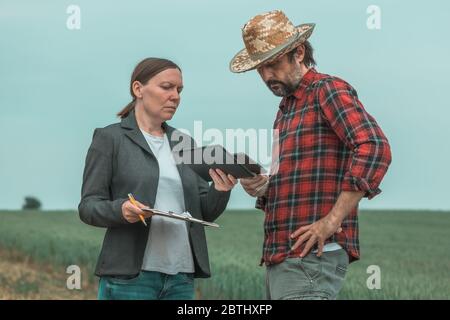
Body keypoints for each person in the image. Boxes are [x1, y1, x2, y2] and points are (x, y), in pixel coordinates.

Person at [230, 10, 392, 300]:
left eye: (273, 63)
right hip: (283, 258)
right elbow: (302, 177)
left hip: (312, 260)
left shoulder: (326, 90)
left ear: (299, 52)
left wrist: (331, 222)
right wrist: (265, 185)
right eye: (260, 68)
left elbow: (374, 147)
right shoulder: (286, 109)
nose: (267, 75)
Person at [78, 57, 237, 300]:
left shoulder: (184, 143)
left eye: (179, 90)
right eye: (166, 87)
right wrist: (122, 210)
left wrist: (221, 189)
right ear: (138, 89)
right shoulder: (110, 139)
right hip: (131, 279)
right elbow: (88, 206)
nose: (175, 96)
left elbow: (203, 212)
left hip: (181, 278)